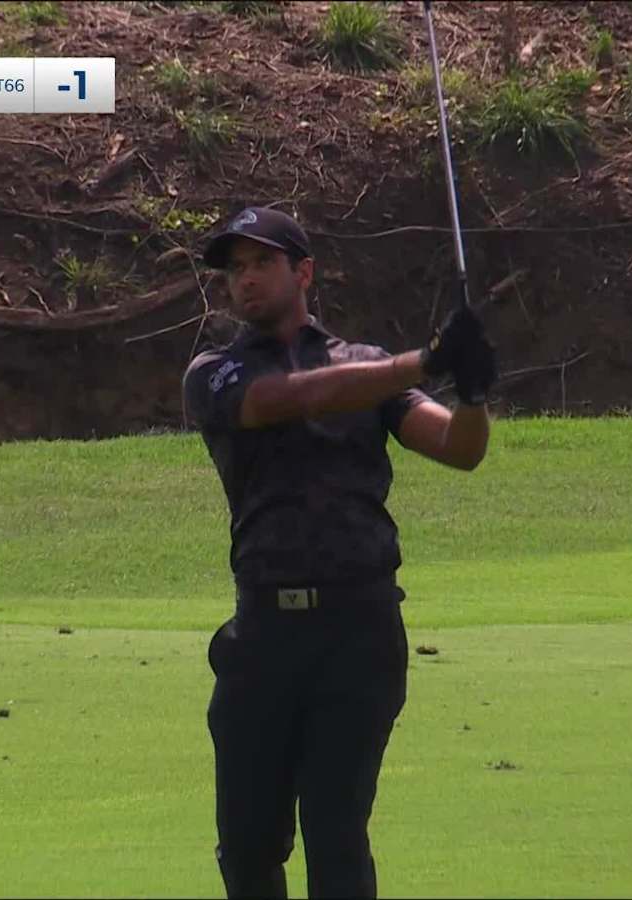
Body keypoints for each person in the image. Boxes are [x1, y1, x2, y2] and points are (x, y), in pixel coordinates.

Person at [182, 206, 497, 898]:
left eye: (262, 262)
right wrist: (423, 362)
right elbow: (286, 399)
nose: (245, 280)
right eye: (234, 269)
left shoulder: (366, 367)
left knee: (338, 837)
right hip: (265, 634)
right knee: (248, 846)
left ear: (304, 272)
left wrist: (470, 389)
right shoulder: (216, 372)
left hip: (360, 632)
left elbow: (457, 448)